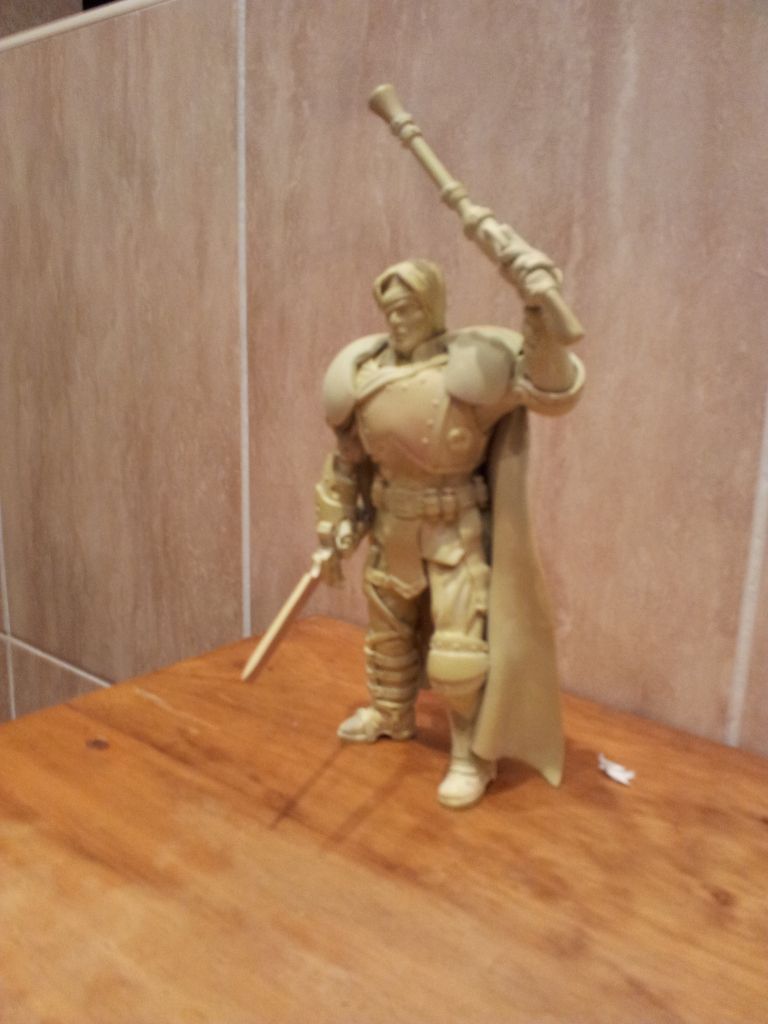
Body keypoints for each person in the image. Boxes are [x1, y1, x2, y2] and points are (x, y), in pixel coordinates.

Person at [315, 254, 584, 808]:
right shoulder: (363, 373)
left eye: (409, 308)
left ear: (432, 307)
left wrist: (538, 311)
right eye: (391, 310)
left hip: (452, 529)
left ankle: (471, 755)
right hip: (392, 524)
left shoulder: (471, 373)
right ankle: (391, 713)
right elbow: (346, 459)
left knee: (459, 653)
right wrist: (336, 519)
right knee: (387, 632)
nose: (398, 320)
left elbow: (550, 388)